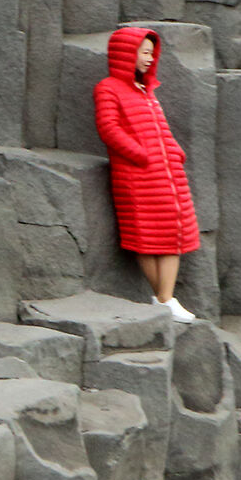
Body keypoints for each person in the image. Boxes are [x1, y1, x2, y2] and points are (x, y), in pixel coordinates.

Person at [92, 25, 201, 323]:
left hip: (167, 172)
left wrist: (175, 152)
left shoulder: (147, 91)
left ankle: (164, 300)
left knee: (173, 233)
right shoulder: (108, 87)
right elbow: (109, 129)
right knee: (147, 236)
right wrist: (141, 155)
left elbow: (161, 129)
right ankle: (166, 300)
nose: (149, 59)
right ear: (126, 53)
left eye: (152, 54)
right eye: (143, 52)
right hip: (136, 174)